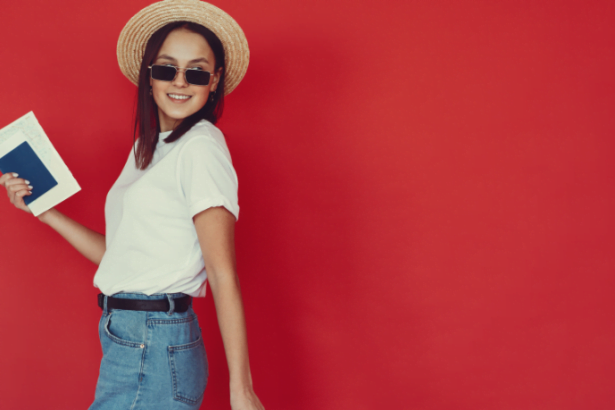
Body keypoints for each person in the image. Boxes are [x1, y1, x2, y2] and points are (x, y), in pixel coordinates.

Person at [0, 1, 265, 409]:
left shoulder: (200, 147)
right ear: (149, 75)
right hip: (132, 335)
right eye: (166, 69)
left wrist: (242, 389)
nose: (180, 82)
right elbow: (121, 256)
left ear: (214, 81)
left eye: (196, 72)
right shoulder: (150, 148)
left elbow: (221, 270)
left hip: (152, 339)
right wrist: (46, 212)